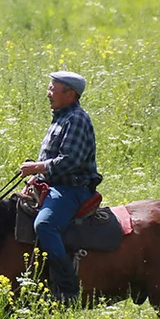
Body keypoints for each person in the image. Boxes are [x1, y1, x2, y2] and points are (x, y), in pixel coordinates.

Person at [18, 70, 100, 304]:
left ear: (70, 93)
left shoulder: (76, 119)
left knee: (44, 225)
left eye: (53, 89)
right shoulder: (62, 117)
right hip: (54, 186)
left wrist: (38, 167)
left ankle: (67, 287)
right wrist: (35, 179)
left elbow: (70, 161)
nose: (48, 94)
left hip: (72, 190)